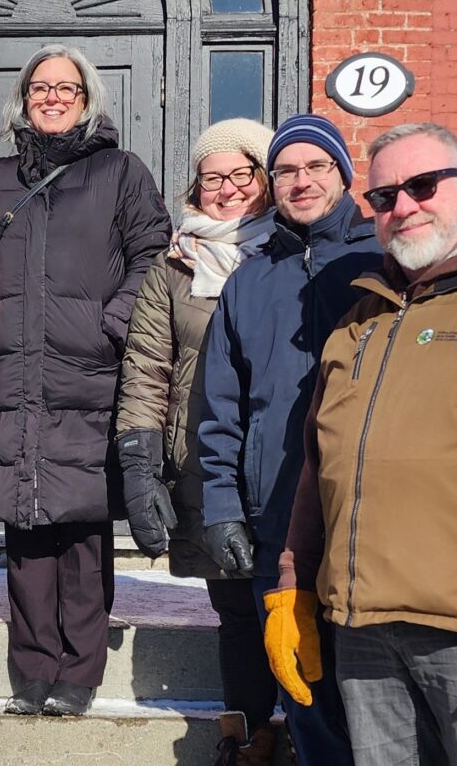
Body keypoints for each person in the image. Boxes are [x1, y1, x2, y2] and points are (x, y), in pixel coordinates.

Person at [265, 121, 457, 764]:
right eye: (385, 196)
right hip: (362, 631)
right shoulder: (359, 321)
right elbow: (319, 468)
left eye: (423, 184)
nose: (404, 206)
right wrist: (294, 584)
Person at [0, 44, 171, 717]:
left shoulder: (121, 172)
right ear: (23, 100)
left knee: (82, 526)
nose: (52, 97)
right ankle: (31, 672)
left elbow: (153, 254)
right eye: (40, 88)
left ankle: (78, 672)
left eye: (66, 88)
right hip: (14, 371)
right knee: (24, 526)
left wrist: (112, 324)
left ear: (87, 100)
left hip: (91, 371)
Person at [198, 113, 382, 764]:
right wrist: (222, 506)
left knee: (375, 694)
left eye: (316, 166)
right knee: (303, 685)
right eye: (285, 171)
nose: (301, 181)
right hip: (276, 515)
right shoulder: (249, 281)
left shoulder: (381, 262)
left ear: (343, 175)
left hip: (371, 517)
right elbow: (219, 407)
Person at [115, 118, 280, 764]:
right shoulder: (174, 266)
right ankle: (249, 735)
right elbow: (146, 367)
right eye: (213, 178)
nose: (228, 189)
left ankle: (305, 732)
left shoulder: (294, 254)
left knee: (292, 603)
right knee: (235, 610)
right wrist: (140, 464)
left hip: (284, 465)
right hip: (206, 467)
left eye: (242, 174)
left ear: (265, 181)